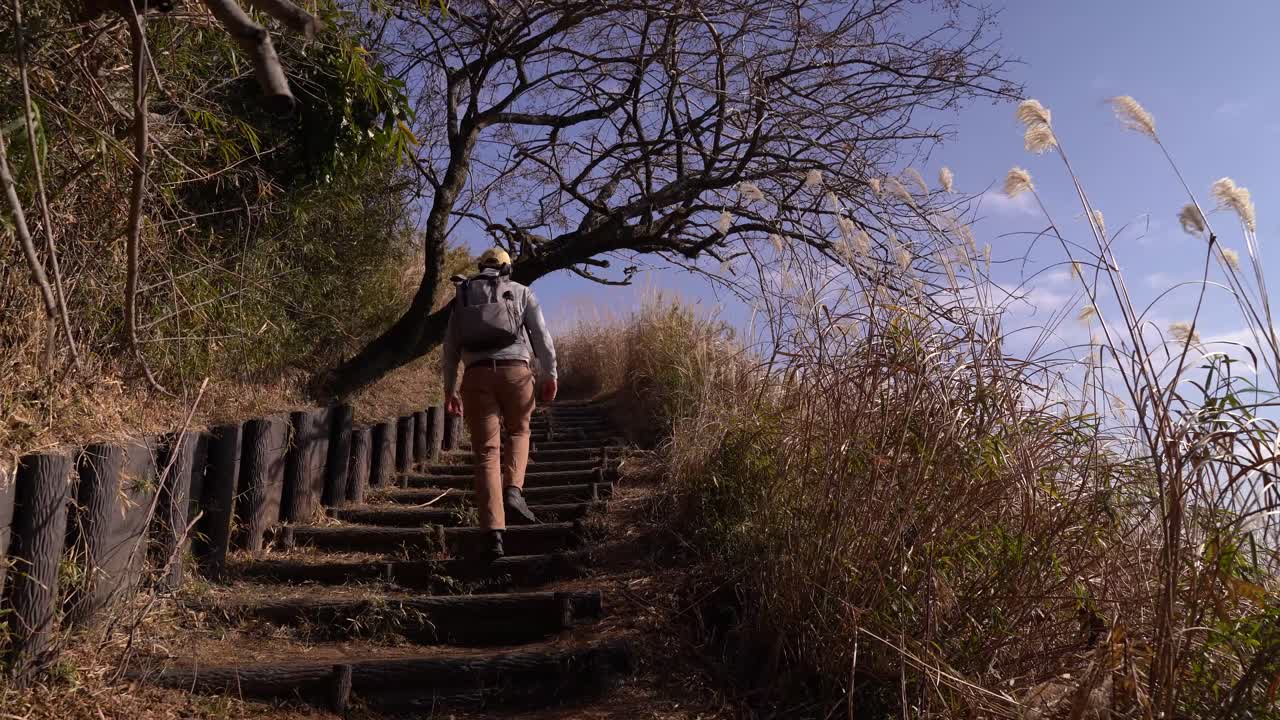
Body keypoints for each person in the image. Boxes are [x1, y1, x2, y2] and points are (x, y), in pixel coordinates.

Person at [441, 248, 558, 562]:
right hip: (516, 374)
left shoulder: (462, 296)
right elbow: (542, 338)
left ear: (481, 268)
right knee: (519, 431)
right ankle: (513, 490)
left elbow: (450, 349)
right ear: (507, 268)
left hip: (476, 378)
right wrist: (550, 374)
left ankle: (493, 536)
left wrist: (449, 390)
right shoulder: (521, 292)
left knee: (486, 454)